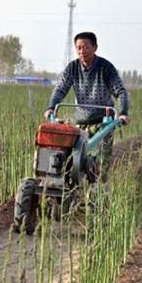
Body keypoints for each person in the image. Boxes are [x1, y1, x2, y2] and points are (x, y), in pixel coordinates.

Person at [44, 32, 130, 183]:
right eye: (78, 48)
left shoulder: (105, 67)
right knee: (72, 157)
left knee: (103, 161)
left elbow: (120, 91)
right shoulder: (72, 68)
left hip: (104, 123)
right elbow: (60, 89)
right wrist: (51, 107)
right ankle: (72, 188)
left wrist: (123, 113)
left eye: (86, 47)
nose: (82, 51)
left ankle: (100, 191)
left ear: (95, 47)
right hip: (81, 120)